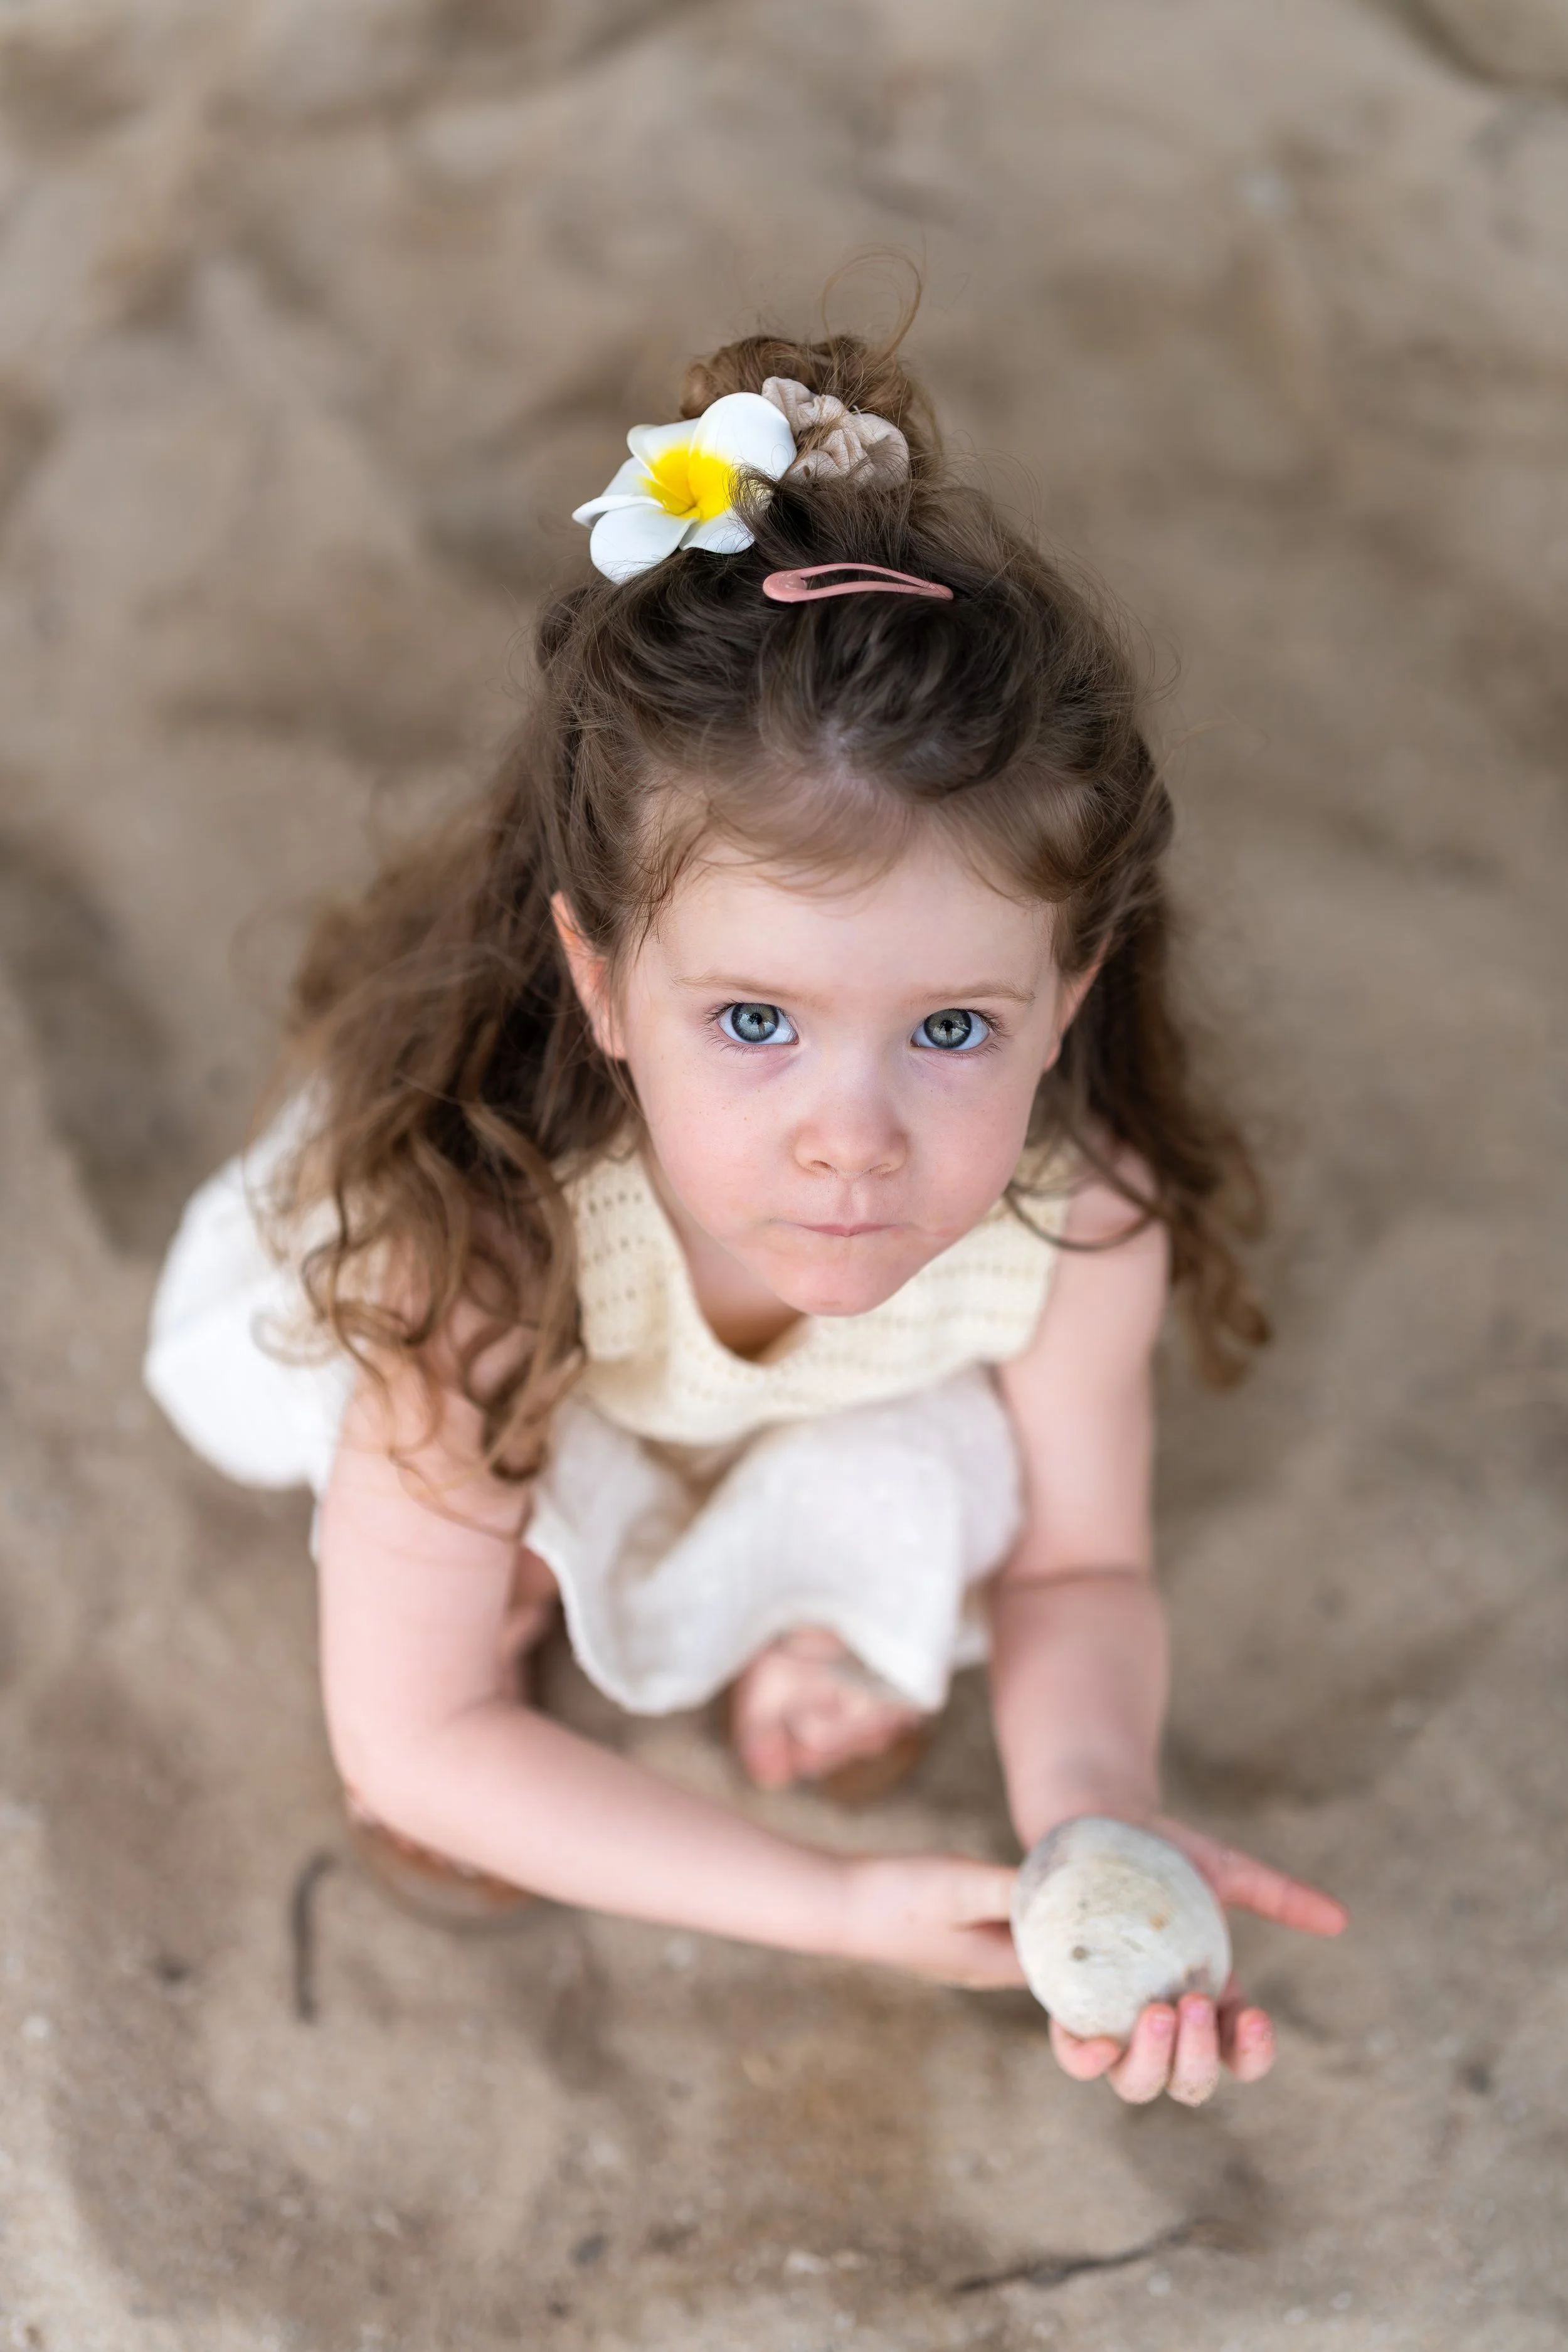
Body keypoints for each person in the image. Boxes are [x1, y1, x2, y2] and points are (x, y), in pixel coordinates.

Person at [146, 324, 1346, 2107]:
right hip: (554, 1351)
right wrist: (841, 1902)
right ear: (607, 980)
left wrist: (1086, 1805)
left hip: (806, 1386)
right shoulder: (466, 1238)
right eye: (756, 1022)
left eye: (950, 1029)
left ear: (1066, 993)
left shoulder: (1078, 1217)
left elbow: (1077, 1566)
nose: (847, 1142)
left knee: (970, 1477)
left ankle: (782, 1609)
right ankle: (546, 1582)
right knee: (449, 1572)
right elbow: (412, 1742)